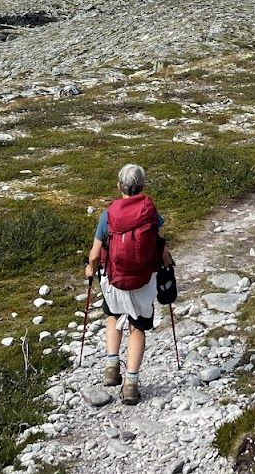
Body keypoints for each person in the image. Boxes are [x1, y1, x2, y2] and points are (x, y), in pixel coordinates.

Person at [85, 163, 173, 405]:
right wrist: (167, 267)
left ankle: (112, 367)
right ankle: (131, 385)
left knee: (113, 316)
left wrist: (91, 268)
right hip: (143, 281)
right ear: (142, 186)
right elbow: (162, 248)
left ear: (119, 186)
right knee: (138, 327)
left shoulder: (108, 214)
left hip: (114, 279)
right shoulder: (152, 213)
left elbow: (94, 254)